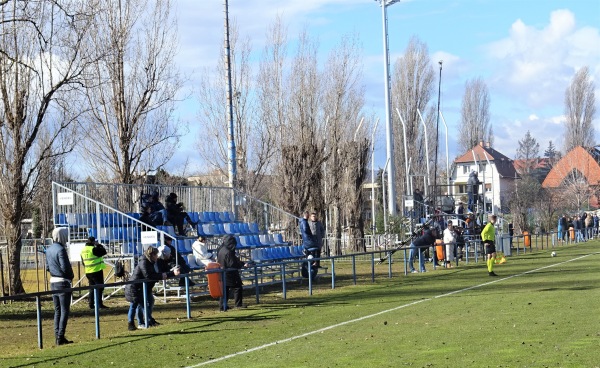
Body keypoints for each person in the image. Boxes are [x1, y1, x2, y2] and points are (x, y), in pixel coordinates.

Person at [125, 246, 180, 330]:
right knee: (136, 305)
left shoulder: (150, 263)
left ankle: (148, 321)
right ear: (151, 255)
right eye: (156, 255)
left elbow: (154, 274)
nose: (157, 256)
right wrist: (164, 275)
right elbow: (149, 275)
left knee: (147, 303)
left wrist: (169, 273)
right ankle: (135, 324)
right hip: (135, 287)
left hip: (142, 287)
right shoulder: (144, 263)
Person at [46, 227, 75, 345]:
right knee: (64, 311)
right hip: (63, 282)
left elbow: (48, 267)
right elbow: (65, 267)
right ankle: (60, 337)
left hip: (53, 282)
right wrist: (70, 276)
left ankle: (57, 335)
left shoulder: (49, 249)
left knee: (57, 311)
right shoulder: (61, 250)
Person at [216, 235, 249, 311]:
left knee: (225, 290)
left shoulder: (221, 249)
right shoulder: (229, 251)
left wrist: (241, 263)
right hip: (230, 272)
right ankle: (238, 304)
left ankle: (222, 306)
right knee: (237, 287)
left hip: (222, 271)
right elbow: (232, 263)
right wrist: (241, 265)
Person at [80, 236, 108, 309]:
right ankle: (99, 304)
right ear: (93, 242)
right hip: (96, 270)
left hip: (88, 271)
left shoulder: (83, 250)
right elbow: (104, 252)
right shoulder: (93, 249)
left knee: (92, 289)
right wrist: (98, 245)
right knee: (99, 288)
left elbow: (83, 262)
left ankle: (91, 304)